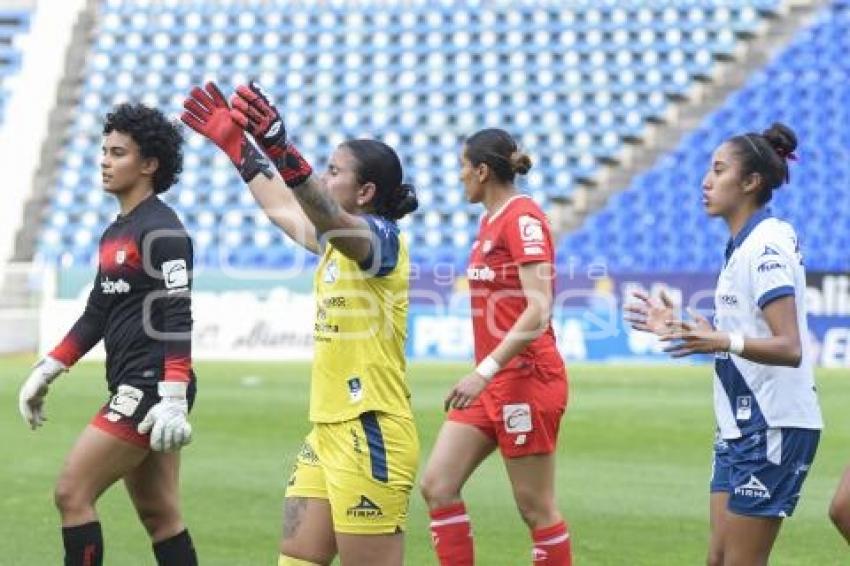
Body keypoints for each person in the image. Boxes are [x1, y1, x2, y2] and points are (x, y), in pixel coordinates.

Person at [180, 81, 419, 566]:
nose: (326, 179)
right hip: (326, 429)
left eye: (334, 171)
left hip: (369, 427)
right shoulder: (334, 241)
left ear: (366, 191)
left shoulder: (379, 241)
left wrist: (283, 149)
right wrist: (238, 147)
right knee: (297, 558)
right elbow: (285, 209)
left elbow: (325, 213)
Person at [625, 123, 822, 566]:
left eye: (718, 170)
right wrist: (686, 331)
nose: (705, 181)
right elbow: (742, 337)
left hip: (773, 424)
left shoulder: (765, 246)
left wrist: (721, 338)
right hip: (738, 424)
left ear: (750, 182)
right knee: (718, 559)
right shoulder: (743, 244)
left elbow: (790, 346)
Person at [18, 103, 198, 565]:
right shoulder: (116, 232)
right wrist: (48, 369)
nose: (104, 160)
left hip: (150, 387)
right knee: (162, 517)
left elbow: (176, 317)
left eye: (117, 153)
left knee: (71, 492)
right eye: (103, 151)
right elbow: (97, 313)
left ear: (149, 164)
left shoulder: (163, 231)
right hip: (134, 384)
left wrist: (173, 396)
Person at [418, 128, 572, 566]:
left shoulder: (522, 218)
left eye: (464, 167)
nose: (460, 176)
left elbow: (539, 308)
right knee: (438, 484)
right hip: (492, 382)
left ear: (482, 170)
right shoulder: (489, 220)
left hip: (525, 379)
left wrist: (483, 370)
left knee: (535, 508)